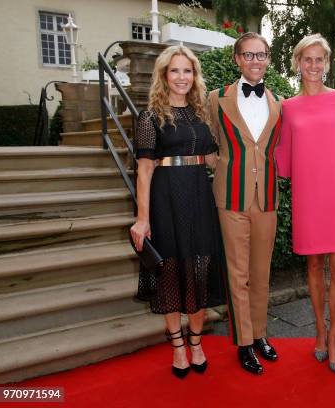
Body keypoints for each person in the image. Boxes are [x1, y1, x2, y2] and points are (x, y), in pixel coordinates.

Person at [130, 45, 226, 379]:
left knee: (199, 271)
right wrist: (143, 218)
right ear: (164, 75)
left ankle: (197, 343)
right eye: (175, 71)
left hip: (199, 197)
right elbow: (143, 171)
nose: (182, 77)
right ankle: (177, 348)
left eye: (187, 71)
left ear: (194, 75)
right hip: (165, 198)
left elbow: (215, 158)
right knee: (170, 274)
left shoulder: (202, 114)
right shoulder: (150, 117)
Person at [276, 34, 335, 376]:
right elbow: (283, 161)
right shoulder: (287, 107)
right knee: (313, 268)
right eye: (306, 59)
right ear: (297, 63)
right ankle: (319, 333)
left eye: (319, 59)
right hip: (309, 196)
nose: (313, 65)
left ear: (327, 63)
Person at [208, 32, 283, 375]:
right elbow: (208, 144)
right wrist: (223, 167)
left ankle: (260, 334)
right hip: (232, 196)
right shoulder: (216, 99)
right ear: (237, 59)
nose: (256, 61)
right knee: (237, 274)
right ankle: (243, 342)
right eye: (249, 55)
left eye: (262, 55)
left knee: (260, 273)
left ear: (268, 59)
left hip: (266, 196)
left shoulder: (279, 102)